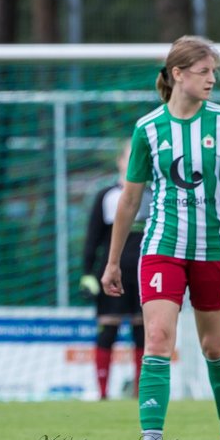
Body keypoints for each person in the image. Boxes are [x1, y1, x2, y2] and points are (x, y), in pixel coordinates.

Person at [101, 35, 220, 440]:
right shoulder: (148, 129)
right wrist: (113, 261)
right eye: (204, 71)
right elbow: (130, 201)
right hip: (162, 246)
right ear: (178, 74)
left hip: (213, 249)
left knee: (213, 348)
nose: (212, 80)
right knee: (157, 338)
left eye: (215, 73)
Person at [80, 141, 149, 400]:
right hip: (112, 272)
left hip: (144, 273)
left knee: (143, 333)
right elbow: (93, 239)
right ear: (120, 162)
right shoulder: (106, 196)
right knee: (108, 330)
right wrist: (88, 275)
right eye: (129, 158)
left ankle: (142, 394)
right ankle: (102, 394)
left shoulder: (154, 195)